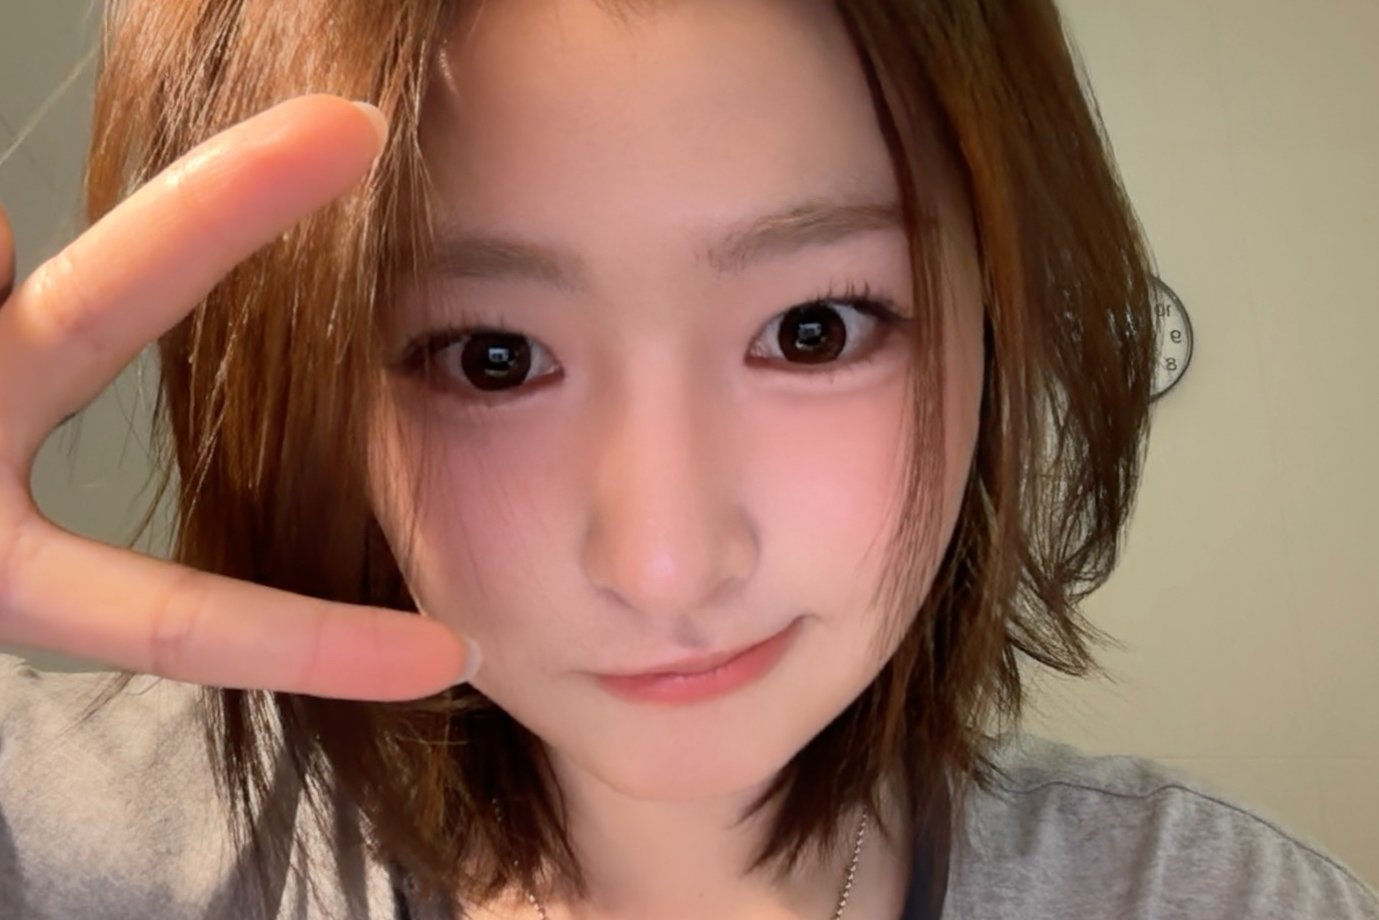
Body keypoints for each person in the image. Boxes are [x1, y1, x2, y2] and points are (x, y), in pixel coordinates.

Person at [0, 0, 1375, 918]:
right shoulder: (83, 850)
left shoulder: (1219, 899)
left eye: (815, 329)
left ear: (993, 315)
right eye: (491, 357)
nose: (665, 562)